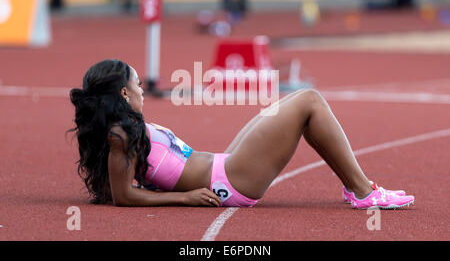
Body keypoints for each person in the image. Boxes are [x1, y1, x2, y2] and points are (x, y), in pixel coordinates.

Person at [69, 59, 415, 209]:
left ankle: (354, 185)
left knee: (292, 104)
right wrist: (183, 198)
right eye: (138, 84)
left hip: (223, 165)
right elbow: (124, 196)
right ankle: (362, 191)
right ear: (124, 95)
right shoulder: (120, 135)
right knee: (309, 100)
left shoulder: (123, 129)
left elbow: (120, 188)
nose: (143, 90)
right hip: (230, 181)